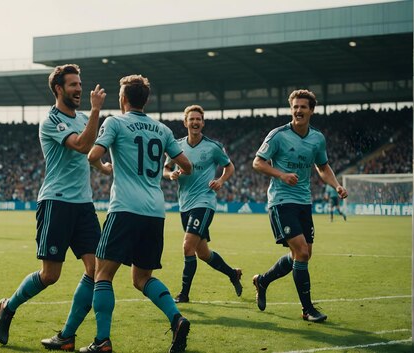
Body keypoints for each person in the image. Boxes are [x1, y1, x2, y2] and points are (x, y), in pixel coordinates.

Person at [0, 64, 107, 350]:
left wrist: (103, 166)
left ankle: (67, 335)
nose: (79, 89)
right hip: (56, 202)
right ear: (58, 89)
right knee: (50, 275)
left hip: (83, 204)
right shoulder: (51, 121)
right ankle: (8, 307)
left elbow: (89, 152)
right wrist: (96, 111)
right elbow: (81, 145)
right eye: (73, 85)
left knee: (96, 268)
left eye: (80, 84)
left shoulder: (82, 117)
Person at [85, 75, 193, 353]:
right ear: (146, 100)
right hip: (155, 212)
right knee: (141, 278)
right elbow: (187, 166)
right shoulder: (162, 130)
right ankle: (177, 318)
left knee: (103, 275)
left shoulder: (115, 122)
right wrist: (172, 170)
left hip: (124, 208)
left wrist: (105, 167)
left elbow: (92, 155)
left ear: (123, 99)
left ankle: (102, 341)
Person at [251, 89, 348, 323]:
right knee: (302, 252)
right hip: (281, 201)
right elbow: (258, 162)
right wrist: (281, 174)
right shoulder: (278, 135)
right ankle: (307, 310)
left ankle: (262, 281)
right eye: (295, 106)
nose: (298, 110)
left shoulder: (317, 138)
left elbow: (323, 167)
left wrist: (336, 186)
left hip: (304, 201)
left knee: (302, 255)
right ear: (291, 109)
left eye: (303, 107)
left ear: (311, 110)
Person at [163, 104, 242, 304]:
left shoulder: (213, 147)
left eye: (198, 119)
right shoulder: (176, 145)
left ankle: (184, 294)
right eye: (192, 119)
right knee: (203, 253)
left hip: (204, 202)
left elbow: (229, 166)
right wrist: (170, 174)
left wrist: (221, 181)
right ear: (185, 122)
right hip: (185, 204)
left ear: (203, 123)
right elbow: (165, 169)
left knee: (187, 247)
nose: (195, 122)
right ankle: (232, 274)